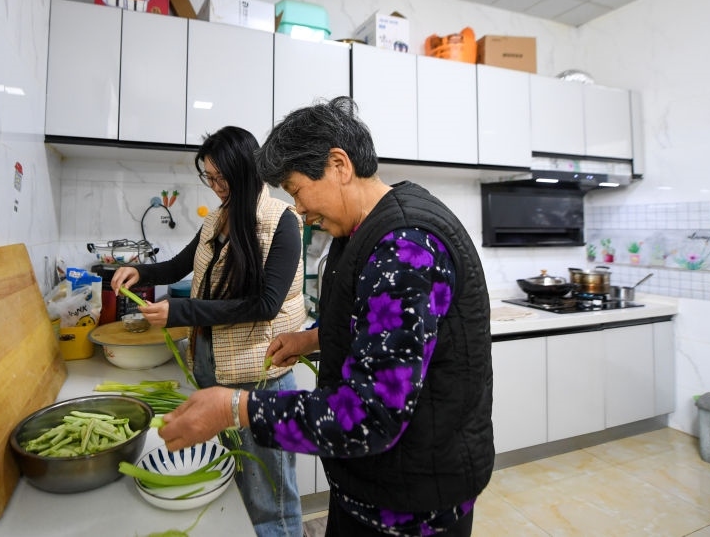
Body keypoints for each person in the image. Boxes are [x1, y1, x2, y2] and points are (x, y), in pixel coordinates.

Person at [157, 98, 494, 536]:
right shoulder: (359, 229)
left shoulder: (404, 247)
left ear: (339, 165)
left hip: (412, 502)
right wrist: (311, 338)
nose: (297, 208)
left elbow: (370, 415)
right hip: (369, 482)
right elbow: (372, 321)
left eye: (296, 190)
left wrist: (234, 408)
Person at [110, 125, 306, 537]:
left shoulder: (282, 221)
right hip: (212, 371)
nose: (215, 187)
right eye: (209, 177)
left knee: (268, 498)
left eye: (222, 178)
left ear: (244, 171)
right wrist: (139, 271)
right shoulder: (218, 218)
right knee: (234, 483)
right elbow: (179, 265)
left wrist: (181, 312)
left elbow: (265, 305)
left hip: (259, 379)